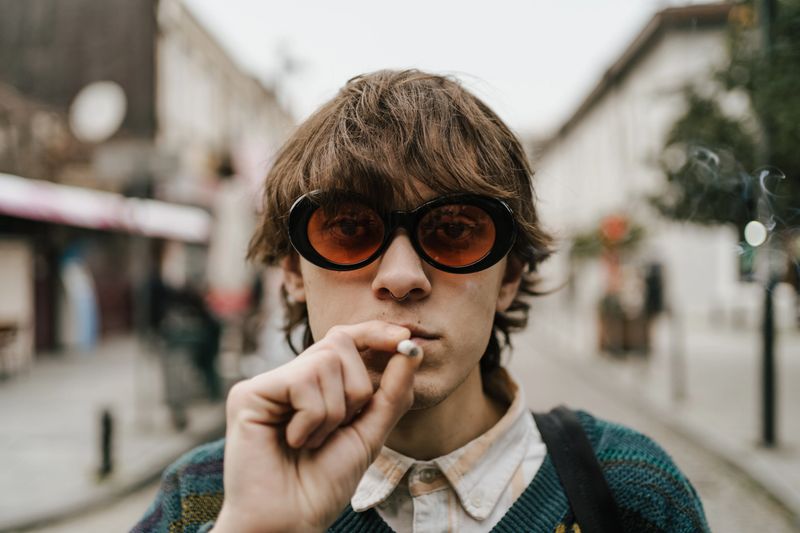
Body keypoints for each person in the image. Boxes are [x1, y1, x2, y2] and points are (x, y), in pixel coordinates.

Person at [133, 70, 709, 532]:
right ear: (292, 272)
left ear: (509, 275)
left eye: (455, 231)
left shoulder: (634, 493)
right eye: (350, 230)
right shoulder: (206, 497)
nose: (402, 277)